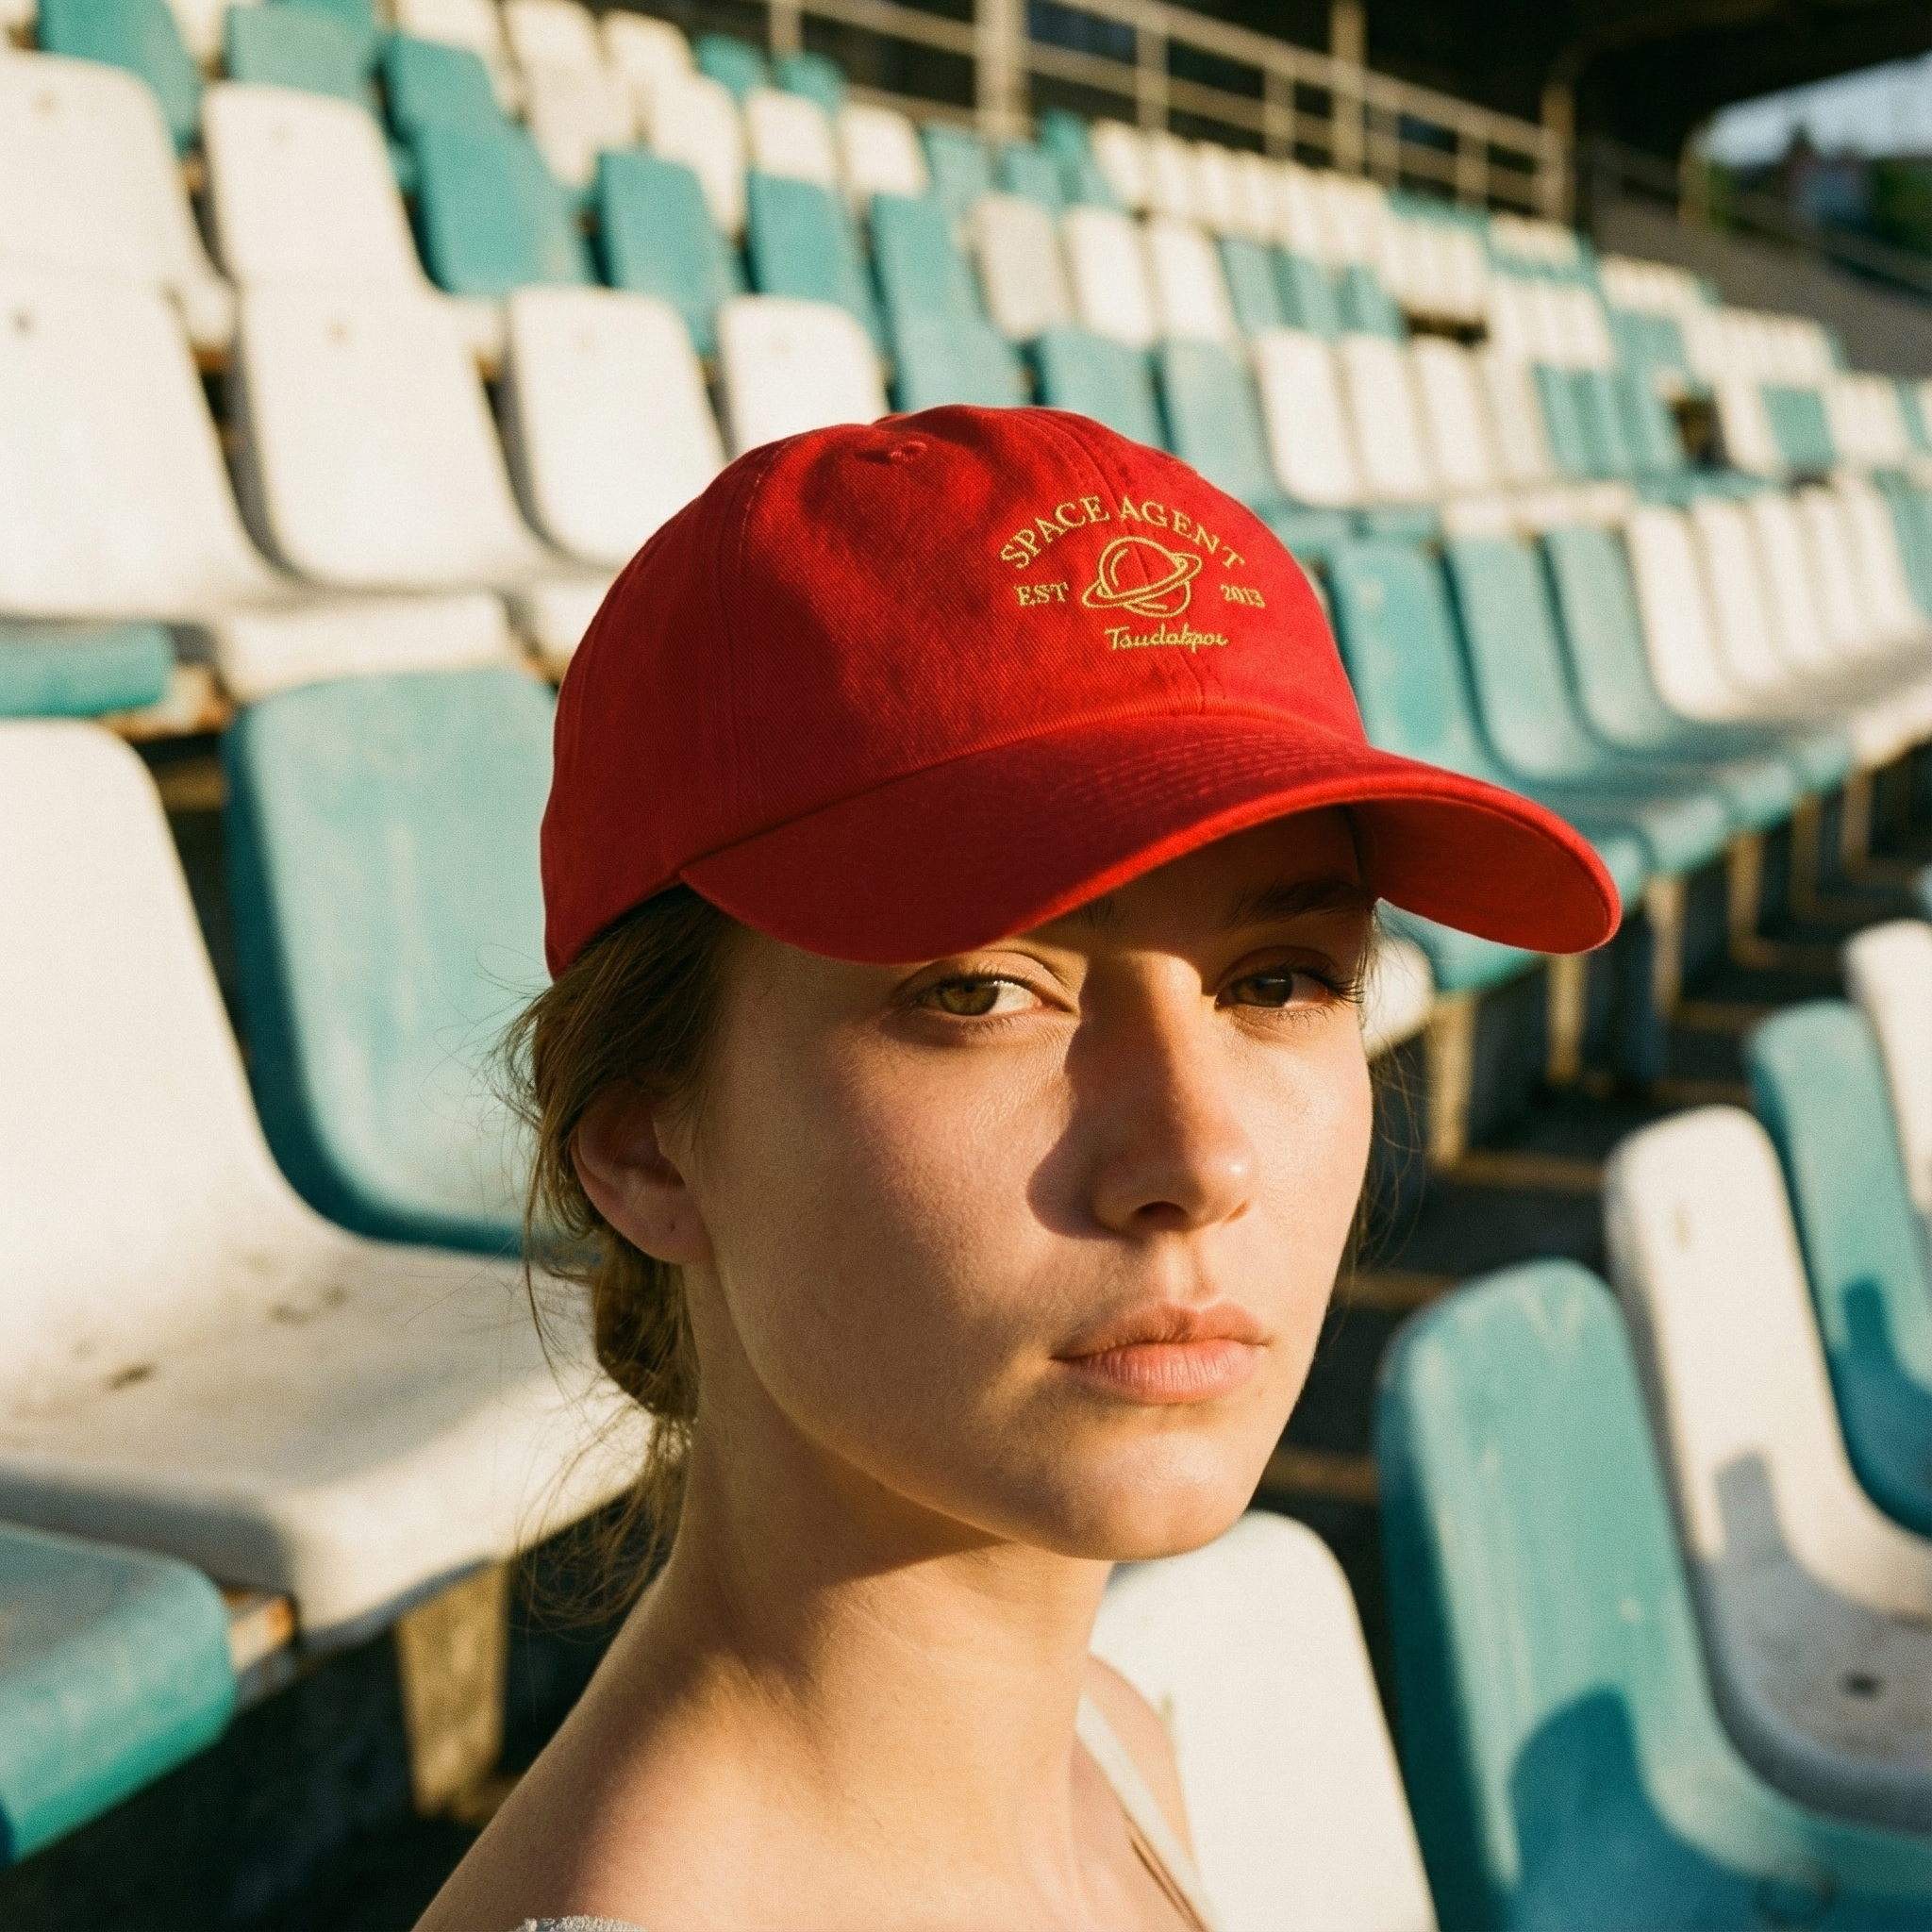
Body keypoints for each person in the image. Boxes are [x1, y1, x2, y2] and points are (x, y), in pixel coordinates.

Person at [416, 407, 1615, 1931]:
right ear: (649, 1147)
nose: (1199, 1156)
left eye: (1281, 980)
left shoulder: (1106, 1739)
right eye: (980, 991)